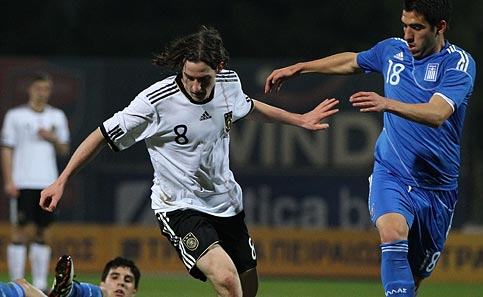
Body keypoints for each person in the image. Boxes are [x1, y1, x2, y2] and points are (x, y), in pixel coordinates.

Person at [39, 26, 339, 297]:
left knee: (248, 288)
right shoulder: (154, 103)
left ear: (219, 69)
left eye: (203, 79)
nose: (196, 86)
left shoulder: (227, 84)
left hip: (226, 202)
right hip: (179, 204)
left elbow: (249, 108)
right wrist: (62, 179)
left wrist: (299, 119)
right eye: (189, 78)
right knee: (226, 278)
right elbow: (101, 135)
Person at [264, 0, 475, 296]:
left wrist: (387, 103)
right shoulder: (393, 50)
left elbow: (437, 113)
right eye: (405, 25)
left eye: (417, 28)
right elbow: (352, 61)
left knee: (413, 279)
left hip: (437, 189)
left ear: (440, 28)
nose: (408, 35)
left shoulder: (458, 64)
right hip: (393, 173)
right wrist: (301, 68)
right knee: (392, 233)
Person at [1, 72, 71, 292]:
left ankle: (40, 285)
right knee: (19, 232)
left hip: (47, 182)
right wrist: (9, 180)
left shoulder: (57, 116)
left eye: (46, 89)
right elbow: (6, 149)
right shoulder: (15, 116)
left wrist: (52, 138)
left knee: (44, 232)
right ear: (30, 90)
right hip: (22, 181)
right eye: (38, 88)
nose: (42, 93)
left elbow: (65, 149)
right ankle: (17, 282)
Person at [48, 255, 140, 297]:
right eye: (115, 277)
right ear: (103, 283)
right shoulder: (97, 292)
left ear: (134, 291)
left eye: (127, 280)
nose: (121, 283)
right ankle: (68, 289)